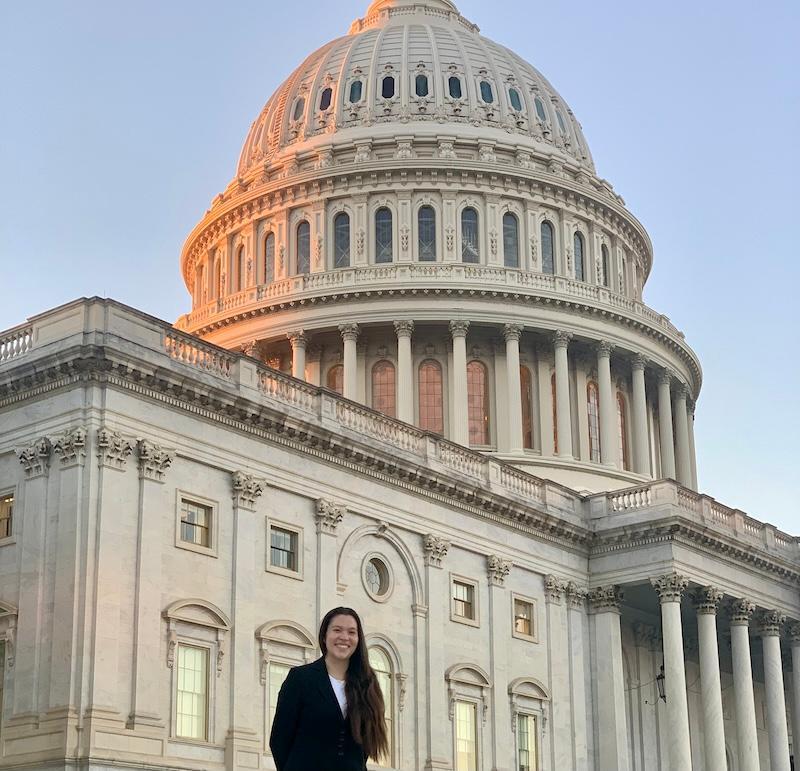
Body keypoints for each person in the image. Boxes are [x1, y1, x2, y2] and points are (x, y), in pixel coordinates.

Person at [269, 607, 389, 771]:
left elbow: (365, 746)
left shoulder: (367, 683)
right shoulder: (300, 678)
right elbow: (279, 739)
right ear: (324, 636)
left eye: (352, 632)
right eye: (337, 630)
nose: (344, 637)